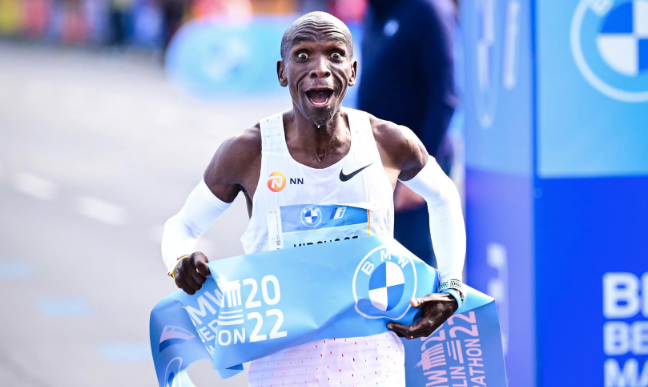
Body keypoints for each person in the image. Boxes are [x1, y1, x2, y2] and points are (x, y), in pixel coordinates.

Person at [161, 11, 465, 386]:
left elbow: (445, 197)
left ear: (352, 71)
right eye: (303, 54)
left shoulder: (388, 142)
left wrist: (452, 286)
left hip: (372, 363)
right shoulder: (249, 151)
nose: (320, 67)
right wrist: (179, 261)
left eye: (335, 54)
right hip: (281, 368)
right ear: (282, 72)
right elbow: (184, 225)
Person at [357, 0, 458, 267]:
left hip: (415, 167)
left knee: (417, 269)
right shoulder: (375, 11)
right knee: (382, 265)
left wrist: (421, 173)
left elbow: (445, 97)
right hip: (376, 164)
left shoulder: (428, 10)